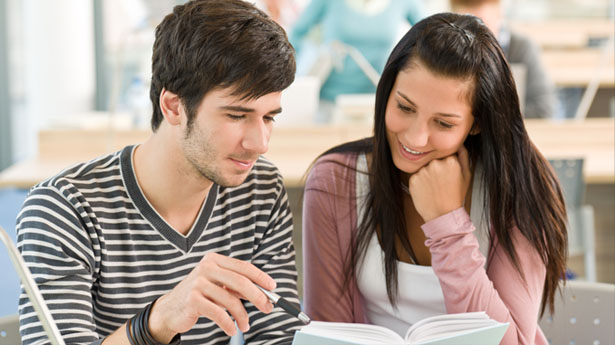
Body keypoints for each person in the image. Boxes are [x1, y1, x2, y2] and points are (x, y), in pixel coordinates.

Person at [16, 1, 301, 344]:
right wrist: (158, 321)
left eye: (269, 117)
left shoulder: (260, 188)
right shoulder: (64, 208)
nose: (260, 143)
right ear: (174, 106)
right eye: (236, 116)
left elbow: (279, 336)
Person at [302, 12, 568, 345]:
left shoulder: (522, 187)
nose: (414, 138)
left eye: (443, 124)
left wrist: (448, 226)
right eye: (404, 107)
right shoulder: (335, 181)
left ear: (477, 123)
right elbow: (331, 334)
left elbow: (511, 342)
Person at [289, 0, 425, 122]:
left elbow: (431, 35)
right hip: (330, 101)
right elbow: (296, 34)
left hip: (376, 100)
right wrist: (291, 78)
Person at [450, 0, 558, 118]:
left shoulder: (521, 48)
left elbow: (543, 109)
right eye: (465, 30)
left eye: (482, 26)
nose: (474, 39)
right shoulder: (446, 50)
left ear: (499, 17)